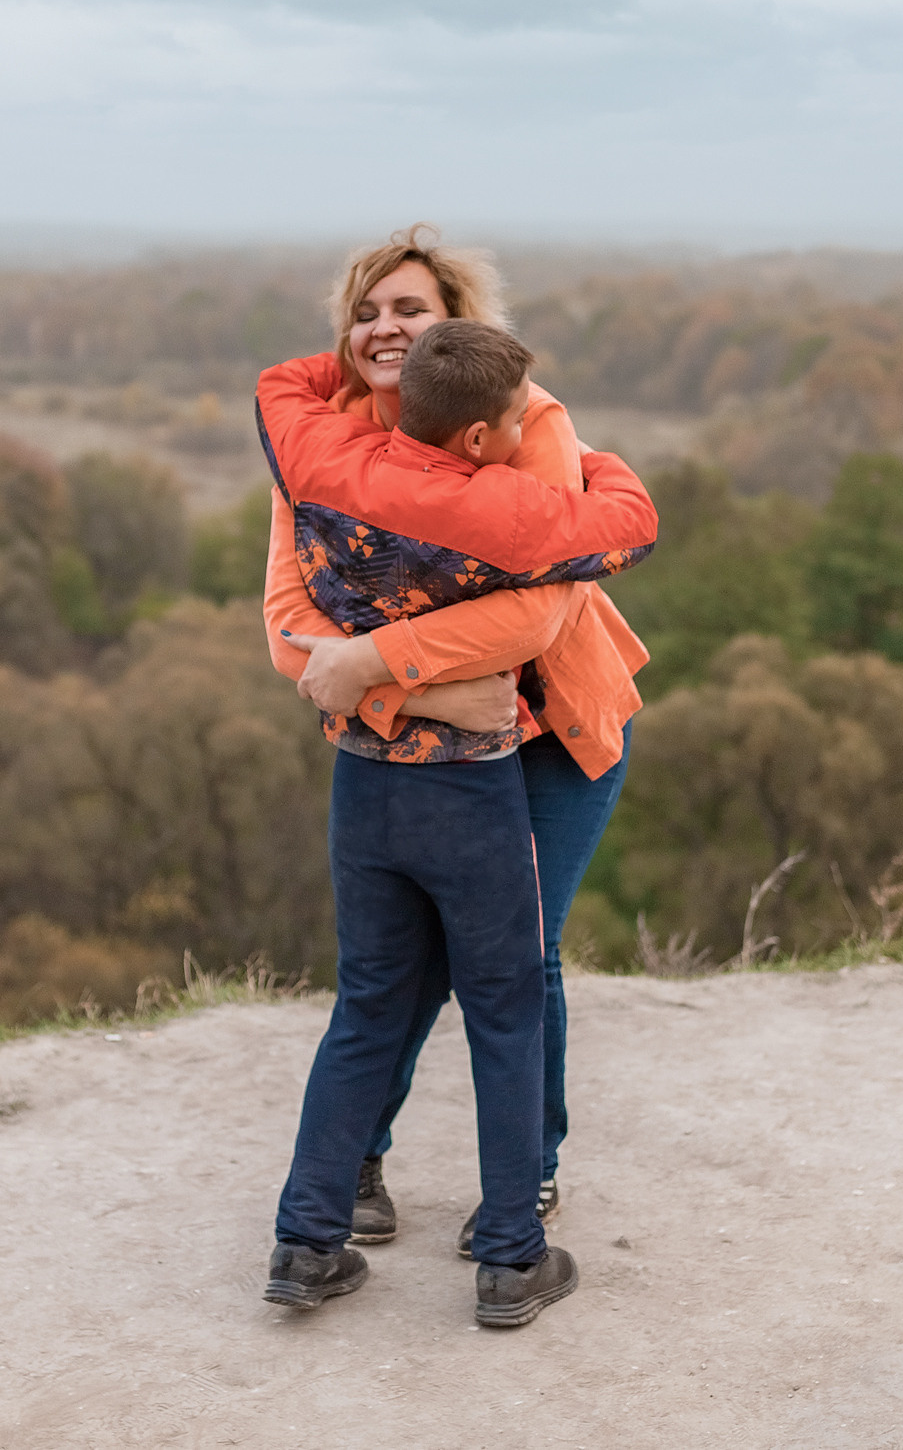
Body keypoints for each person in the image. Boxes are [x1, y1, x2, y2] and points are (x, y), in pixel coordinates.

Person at [257, 244, 651, 1329]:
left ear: (453, 326)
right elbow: (292, 631)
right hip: (432, 747)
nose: (387, 328)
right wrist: (428, 693)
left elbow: (541, 613)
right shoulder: (325, 450)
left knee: (513, 966)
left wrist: (374, 664)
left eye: (412, 311)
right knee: (418, 983)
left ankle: (510, 1194)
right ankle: (370, 1195)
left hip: (550, 731)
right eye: (367, 312)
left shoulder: (527, 419)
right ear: (345, 330)